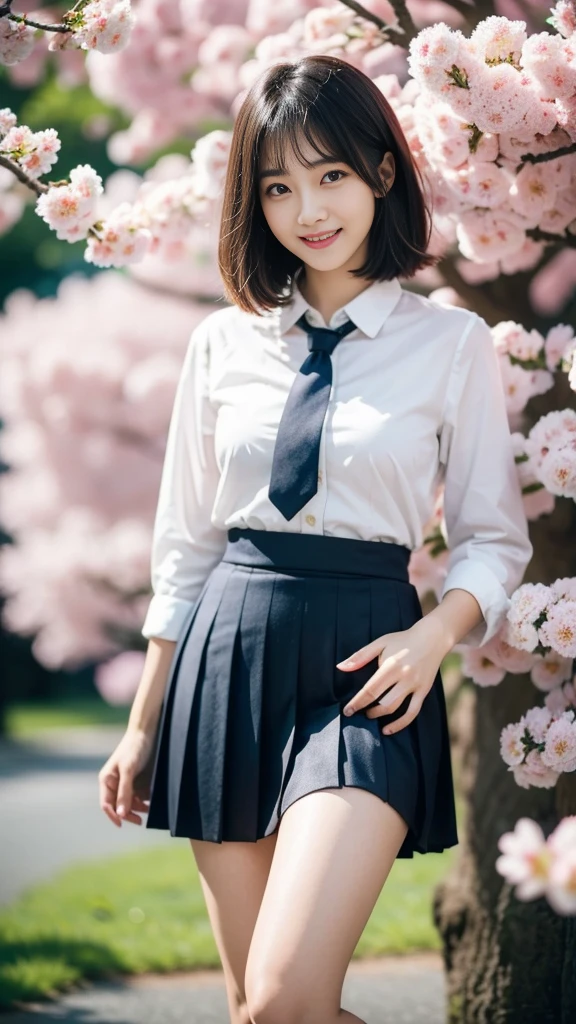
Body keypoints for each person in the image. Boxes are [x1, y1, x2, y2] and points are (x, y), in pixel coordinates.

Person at [99, 54, 533, 1024]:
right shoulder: (223, 343)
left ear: (383, 170)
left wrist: (435, 637)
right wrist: (142, 721)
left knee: (289, 998)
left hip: (371, 667)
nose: (309, 209)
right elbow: (187, 545)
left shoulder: (451, 344)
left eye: (331, 174)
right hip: (229, 657)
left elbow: (493, 540)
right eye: (279, 186)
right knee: (259, 1010)